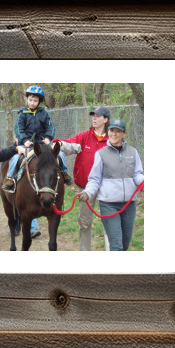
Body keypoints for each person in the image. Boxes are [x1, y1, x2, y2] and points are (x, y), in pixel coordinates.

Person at [1, 85, 72, 237]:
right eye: (30, 99)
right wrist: (24, 140)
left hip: (42, 144)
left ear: (39, 102)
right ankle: (10, 179)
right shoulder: (22, 114)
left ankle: (65, 174)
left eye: (35, 100)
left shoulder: (44, 114)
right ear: (26, 99)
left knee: (60, 156)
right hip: (26, 144)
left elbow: (50, 127)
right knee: (15, 158)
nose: (32, 102)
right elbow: (18, 129)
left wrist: (48, 138)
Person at [79, 118, 144, 251]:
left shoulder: (133, 152)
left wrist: (143, 181)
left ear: (124, 134)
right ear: (108, 132)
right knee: (116, 245)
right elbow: (94, 180)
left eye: (118, 131)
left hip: (129, 205)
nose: (114, 134)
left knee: (125, 245)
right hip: (109, 204)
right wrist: (87, 192)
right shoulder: (101, 154)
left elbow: (137, 174)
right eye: (111, 131)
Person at [53, 106, 110, 251]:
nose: (94, 118)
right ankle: (85, 254)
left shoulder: (112, 139)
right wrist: (59, 144)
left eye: (98, 116)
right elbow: (70, 145)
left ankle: (113, 252)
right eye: (93, 115)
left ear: (106, 119)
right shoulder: (84, 136)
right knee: (84, 222)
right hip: (86, 187)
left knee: (109, 222)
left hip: (107, 188)